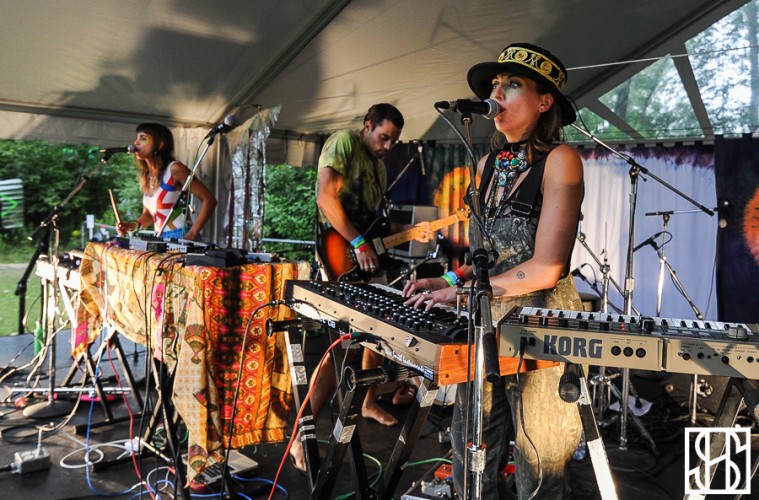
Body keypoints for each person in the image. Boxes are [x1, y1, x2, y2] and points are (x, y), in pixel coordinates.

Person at [404, 43, 584, 499]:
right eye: (494, 85)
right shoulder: (486, 166)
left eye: (512, 84)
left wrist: (464, 294)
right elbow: (488, 258)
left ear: (544, 102)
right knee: (470, 449)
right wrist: (448, 280)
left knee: (538, 465)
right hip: (486, 319)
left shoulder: (561, 160)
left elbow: (546, 267)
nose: (496, 93)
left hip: (543, 325)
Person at [289, 103, 432, 472]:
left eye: (394, 140)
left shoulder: (379, 168)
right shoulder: (345, 143)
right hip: (338, 259)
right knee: (337, 353)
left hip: (364, 263)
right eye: (383, 137)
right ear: (367, 126)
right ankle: (300, 437)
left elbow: (375, 229)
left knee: (378, 336)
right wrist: (357, 243)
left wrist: (412, 233)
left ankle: (368, 403)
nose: (388, 146)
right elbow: (325, 198)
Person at [116, 123, 217, 241]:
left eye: (143, 138)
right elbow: (150, 215)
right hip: (160, 238)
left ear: (160, 144)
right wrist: (134, 225)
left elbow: (209, 200)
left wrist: (193, 233)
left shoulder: (175, 169)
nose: (136, 142)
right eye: (137, 138)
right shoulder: (147, 176)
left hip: (181, 235)